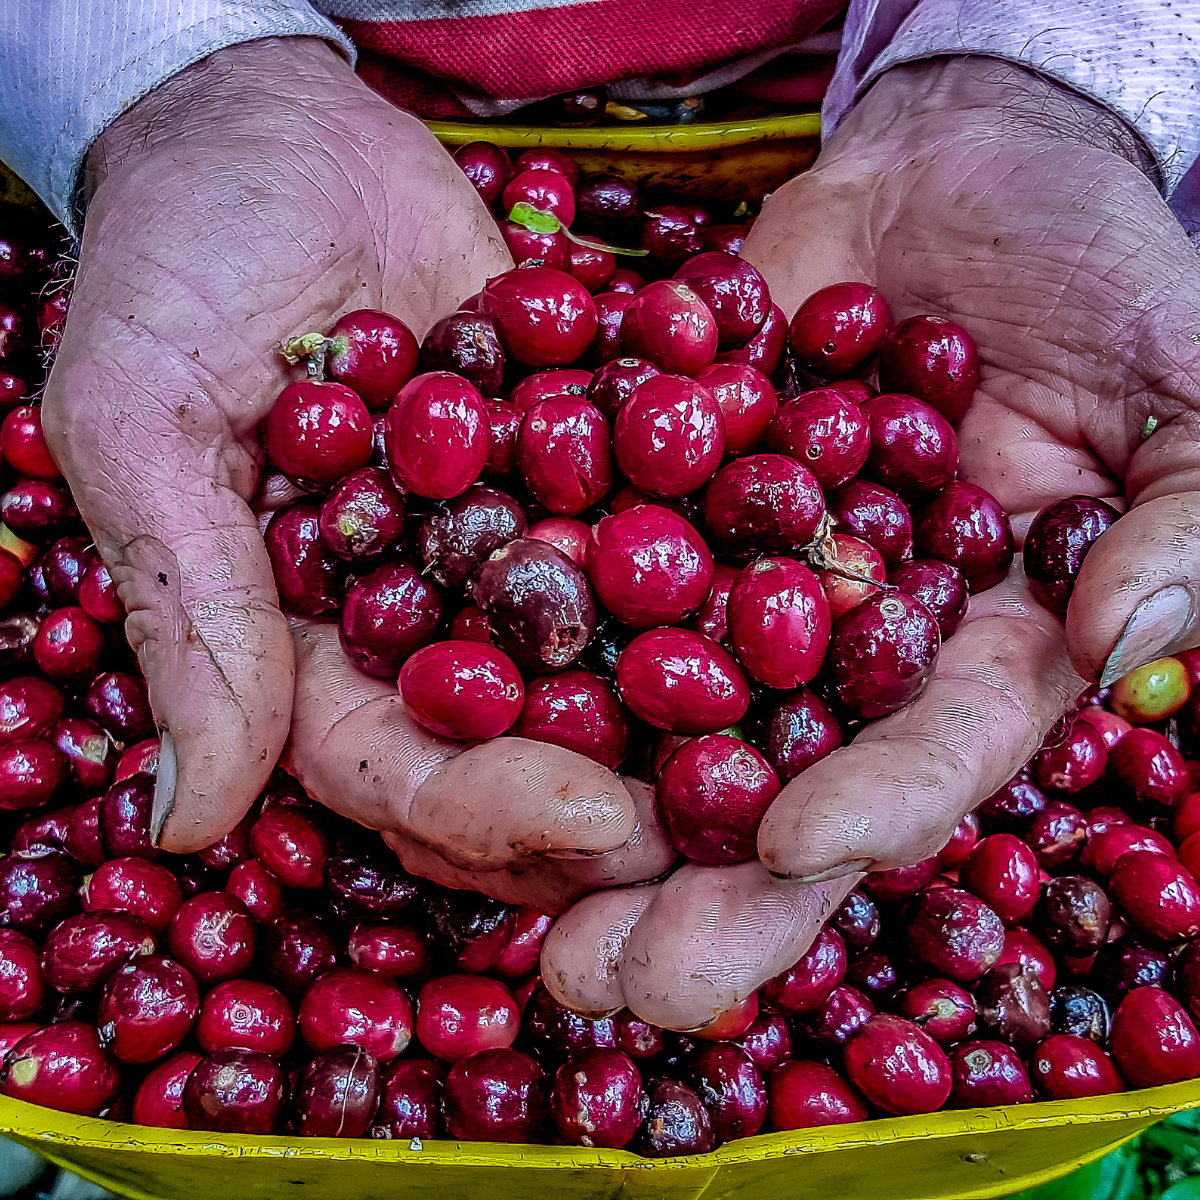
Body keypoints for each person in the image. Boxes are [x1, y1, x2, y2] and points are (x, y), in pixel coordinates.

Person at [2, 1, 1199, 1032]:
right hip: (336, 114)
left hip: (838, 110)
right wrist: (174, 78)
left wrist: (1038, 82)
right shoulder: (502, 486)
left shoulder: (743, 506)